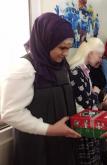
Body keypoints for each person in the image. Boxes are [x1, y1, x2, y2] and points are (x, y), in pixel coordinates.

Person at [0, 13, 81, 165]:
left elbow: (65, 97)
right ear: (45, 42)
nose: (66, 54)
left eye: (68, 48)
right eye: (61, 48)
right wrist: (49, 129)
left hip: (62, 143)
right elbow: (10, 113)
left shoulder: (61, 65)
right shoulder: (24, 68)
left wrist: (83, 113)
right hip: (37, 147)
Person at [67, 37, 107, 165]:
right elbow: (86, 102)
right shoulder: (76, 72)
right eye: (99, 55)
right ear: (90, 52)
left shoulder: (85, 70)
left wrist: (96, 94)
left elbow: (89, 95)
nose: (100, 59)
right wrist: (96, 93)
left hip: (88, 119)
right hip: (83, 122)